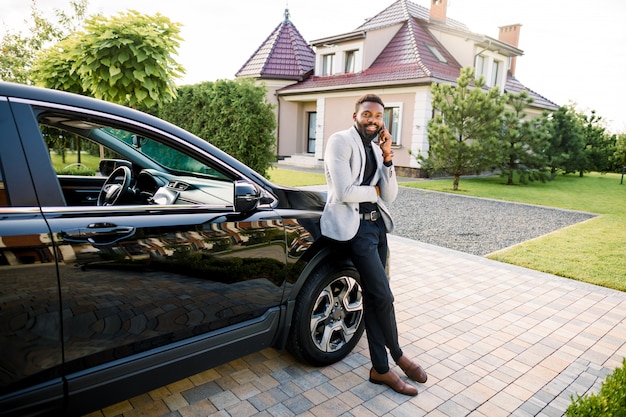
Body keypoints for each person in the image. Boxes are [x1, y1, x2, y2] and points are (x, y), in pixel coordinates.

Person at [321, 94, 427, 396]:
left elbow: (390, 196)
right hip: (354, 229)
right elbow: (343, 192)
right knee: (383, 296)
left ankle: (381, 367)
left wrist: (389, 156)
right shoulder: (340, 141)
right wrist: (375, 190)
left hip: (377, 227)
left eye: (378, 116)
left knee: (375, 295)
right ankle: (393, 357)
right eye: (367, 114)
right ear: (355, 116)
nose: (373, 120)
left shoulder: (379, 148)